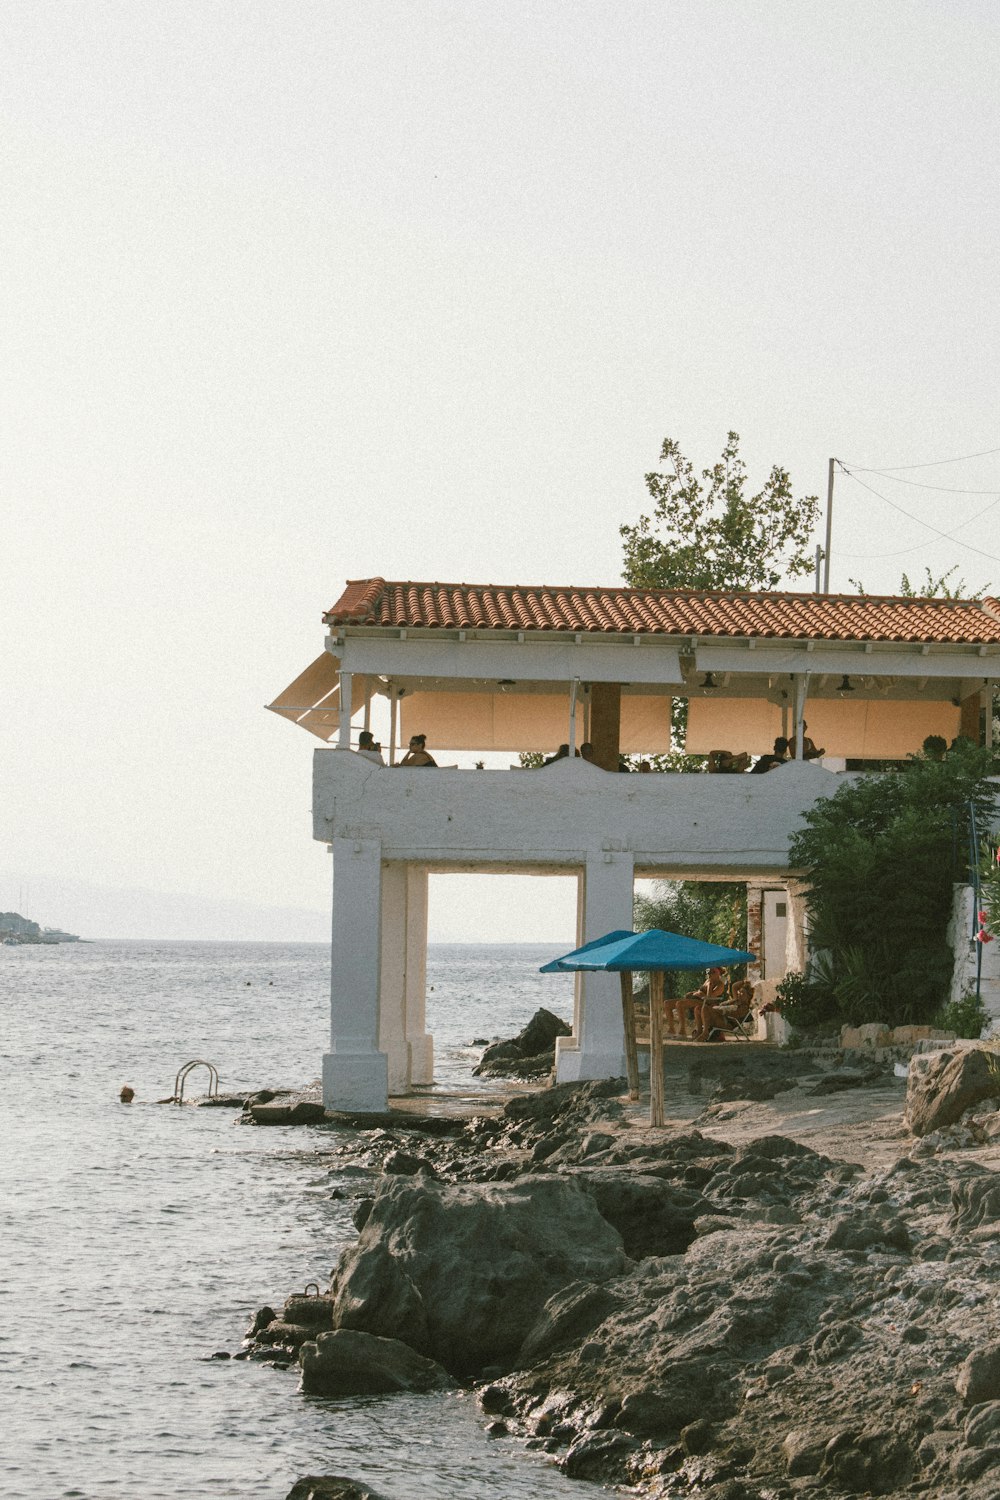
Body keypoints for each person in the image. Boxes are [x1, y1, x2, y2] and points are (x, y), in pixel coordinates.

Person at [664, 967, 725, 1038]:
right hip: (695, 998)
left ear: (719, 973)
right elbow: (700, 990)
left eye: (713, 971)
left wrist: (709, 987)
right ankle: (671, 1030)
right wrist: (693, 993)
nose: (710, 973)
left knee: (680, 1004)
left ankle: (682, 1031)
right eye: (709, 971)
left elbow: (709, 998)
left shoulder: (720, 985)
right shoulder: (708, 980)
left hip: (704, 1002)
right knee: (667, 1003)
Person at [694, 978, 755, 1042]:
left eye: (742, 993)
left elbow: (731, 1015)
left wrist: (717, 1009)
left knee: (705, 1008)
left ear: (748, 997)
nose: (739, 993)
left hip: (726, 1023)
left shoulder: (744, 1008)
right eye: (739, 991)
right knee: (698, 1008)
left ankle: (705, 1032)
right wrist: (745, 982)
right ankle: (699, 1031)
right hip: (720, 1016)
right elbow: (734, 986)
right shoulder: (736, 1000)